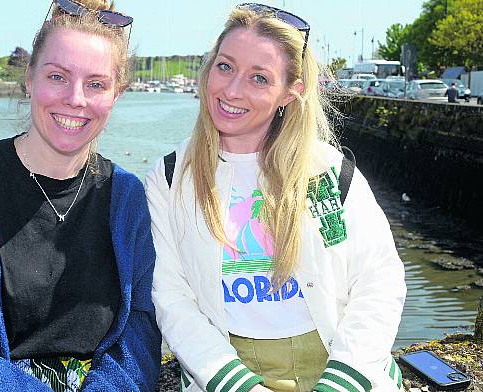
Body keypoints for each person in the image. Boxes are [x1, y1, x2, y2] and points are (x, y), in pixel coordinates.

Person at [0, 0, 161, 391]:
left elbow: (140, 323)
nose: (76, 98)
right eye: (57, 77)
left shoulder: (125, 196)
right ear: (29, 79)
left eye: (96, 84)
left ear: (116, 94)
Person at [145, 4, 406, 392]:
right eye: (225, 67)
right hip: (225, 374)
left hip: (343, 366)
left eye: (259, 78)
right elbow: (170, 296)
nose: (232, 90)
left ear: (290, 92)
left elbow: (379, 280)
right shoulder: (169, 178)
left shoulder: (330, 171)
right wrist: (236, 383)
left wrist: (342, 382)